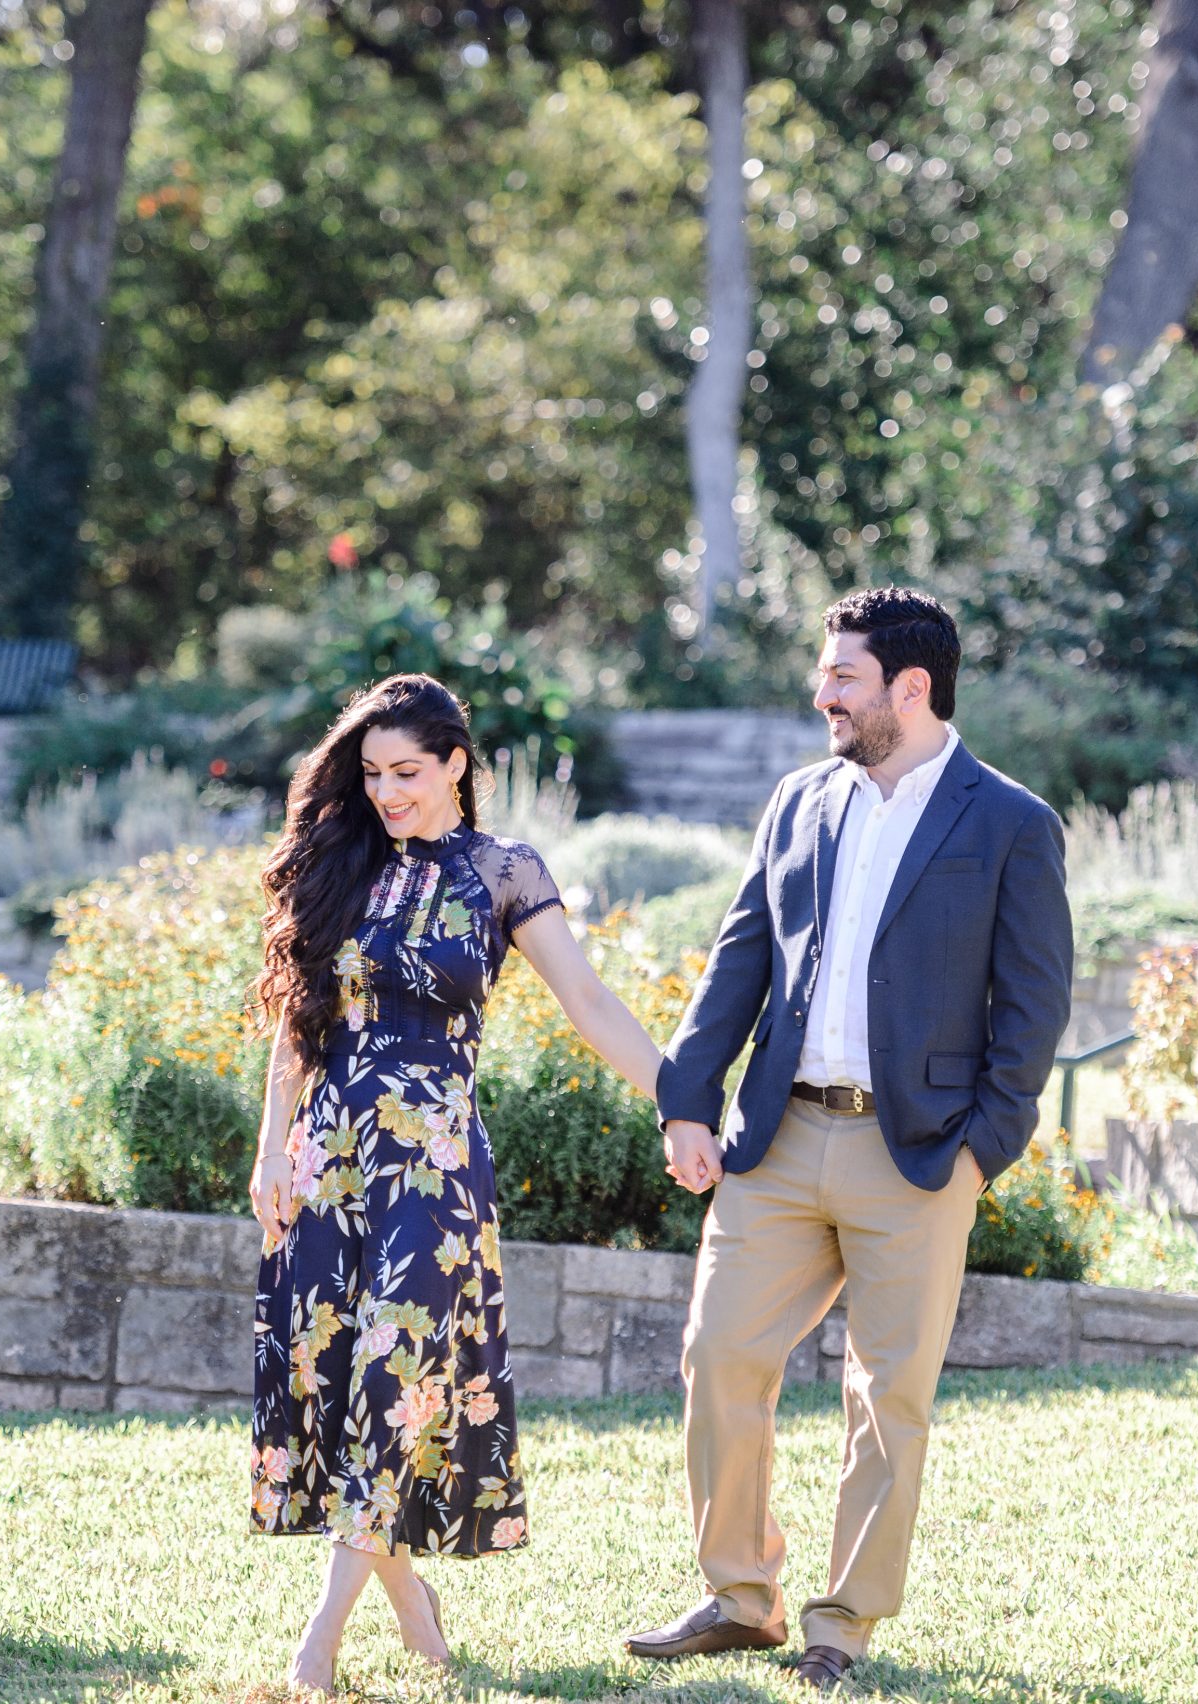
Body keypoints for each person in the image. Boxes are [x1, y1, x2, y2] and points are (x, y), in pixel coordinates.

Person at [622, 587, 1074, 1690]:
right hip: (776, 1144)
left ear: (907, 689)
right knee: (720, 1356)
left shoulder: (1011, 822)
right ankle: (740, 1598)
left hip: (915, 1154)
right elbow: (739, 960)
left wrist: (981, 1150)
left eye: (841, 677)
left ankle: (842, 1627)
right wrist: (687, 1099)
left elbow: (1032, 1006)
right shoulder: (799, 802)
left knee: (888, 1396)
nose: (821, 693)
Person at [248, 673, 669, 1694]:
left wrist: (680, 1095)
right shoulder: (339, 864)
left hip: (430, 1163)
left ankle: (319, 1645)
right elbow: (297, 1026)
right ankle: (413, 1608)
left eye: (406, 772)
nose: (387, 791)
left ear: (454, 766)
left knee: (398, 1376)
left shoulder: (502, 872)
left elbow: (586, 998)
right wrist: (270, 1153)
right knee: (341, 1374)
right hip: (328, 1154)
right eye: (372, 773)